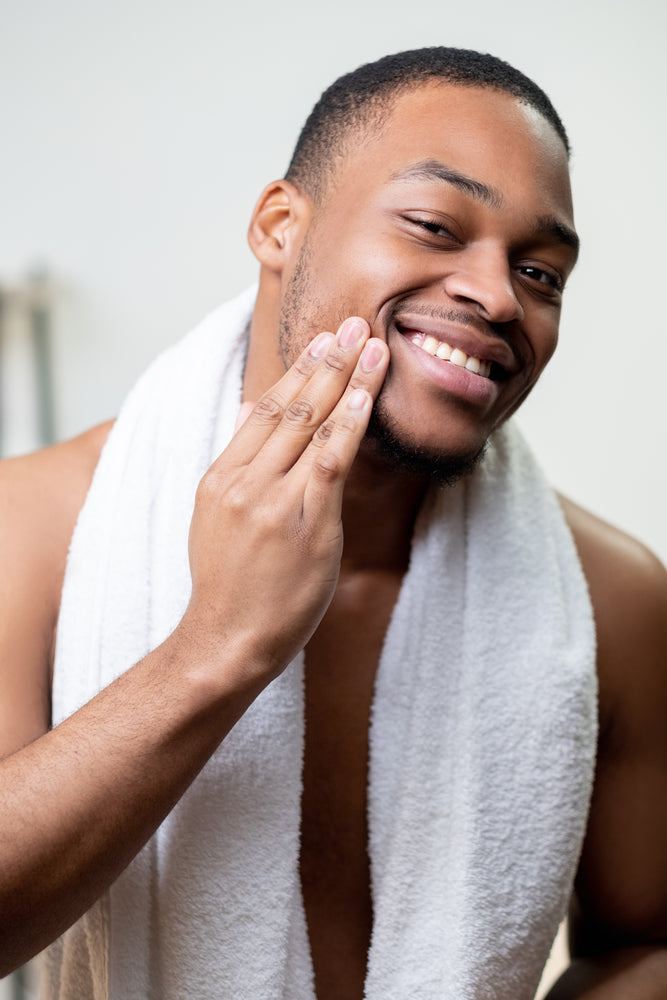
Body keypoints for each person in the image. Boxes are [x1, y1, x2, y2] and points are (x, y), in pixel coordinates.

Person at [0, 47, 666, 1000]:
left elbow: (643, 943)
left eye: (540, 271)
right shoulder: (29, 530)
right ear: (280, 227)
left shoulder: (614, 601)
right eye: (436, 226)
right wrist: (216, 647)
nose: (497, 296)